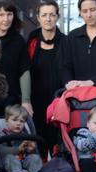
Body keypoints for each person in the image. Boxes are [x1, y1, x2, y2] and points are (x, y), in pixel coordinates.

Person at [27, 0, 66, 158]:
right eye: (44, 15)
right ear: (38, 17)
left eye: (52, 14)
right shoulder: (32, 41)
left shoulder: (66, 42)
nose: (48, 18)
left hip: (59, 101)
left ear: (57, 17)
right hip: (36, 103)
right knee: (38, 145)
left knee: (58, 146)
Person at [0, 105, 42, 172]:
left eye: (21, 121)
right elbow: (1, 151)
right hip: (8, 163)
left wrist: (31, 149)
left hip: (23, 161)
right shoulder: (2, 135)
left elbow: (31, 154)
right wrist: (18, 149)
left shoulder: (25, 136)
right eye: (14, 120)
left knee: (34, 158)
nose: (18, 123)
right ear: (6, 121)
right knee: (10, 158)